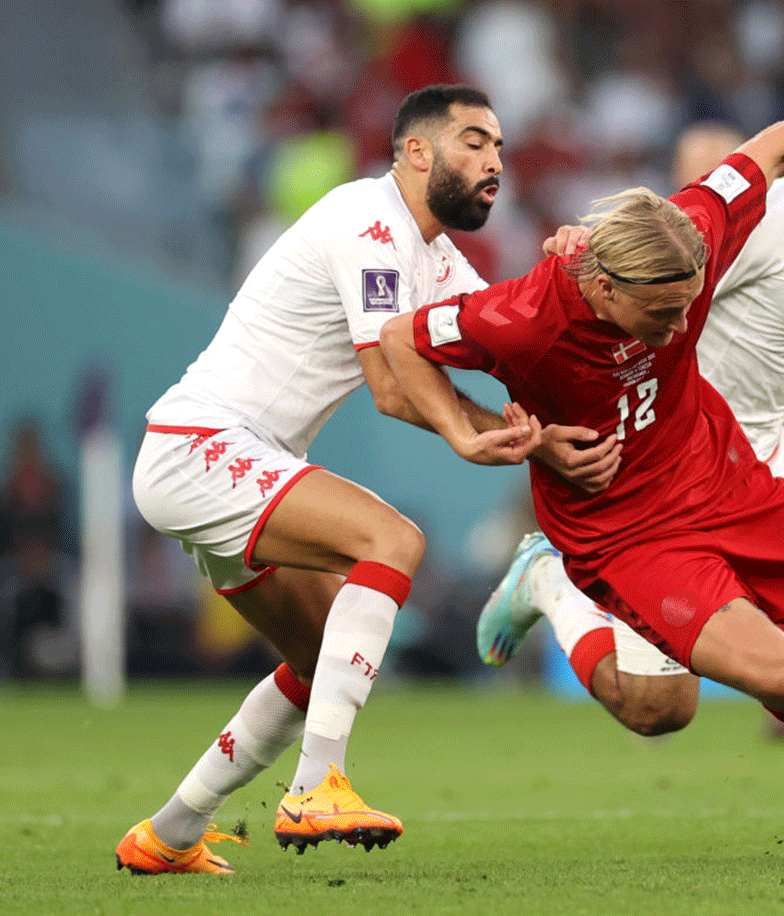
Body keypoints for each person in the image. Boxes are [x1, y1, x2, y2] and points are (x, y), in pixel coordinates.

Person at [382, 52, 784, 819]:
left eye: (691, 307)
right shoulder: (522, 318)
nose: (684, 328)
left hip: (727, 477)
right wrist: (470, 433)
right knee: (677, 706)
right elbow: (398, 338)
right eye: (664, 317)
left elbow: (775, 142)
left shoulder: (697, 234)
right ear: (606, 289)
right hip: (628, 530)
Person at [115, 84, 596, 875]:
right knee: (392, 539)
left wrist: (570, 272)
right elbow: (392, 386)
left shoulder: (436, 260)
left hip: (240, 461)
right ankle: (314, 788)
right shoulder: (363, 221)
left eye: (501, 148)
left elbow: (514, 345)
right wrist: (467, 439)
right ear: (416, 152)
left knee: (315, 661)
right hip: (202, 443)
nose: (495, 162)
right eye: (474, 142)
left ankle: (169, 834)